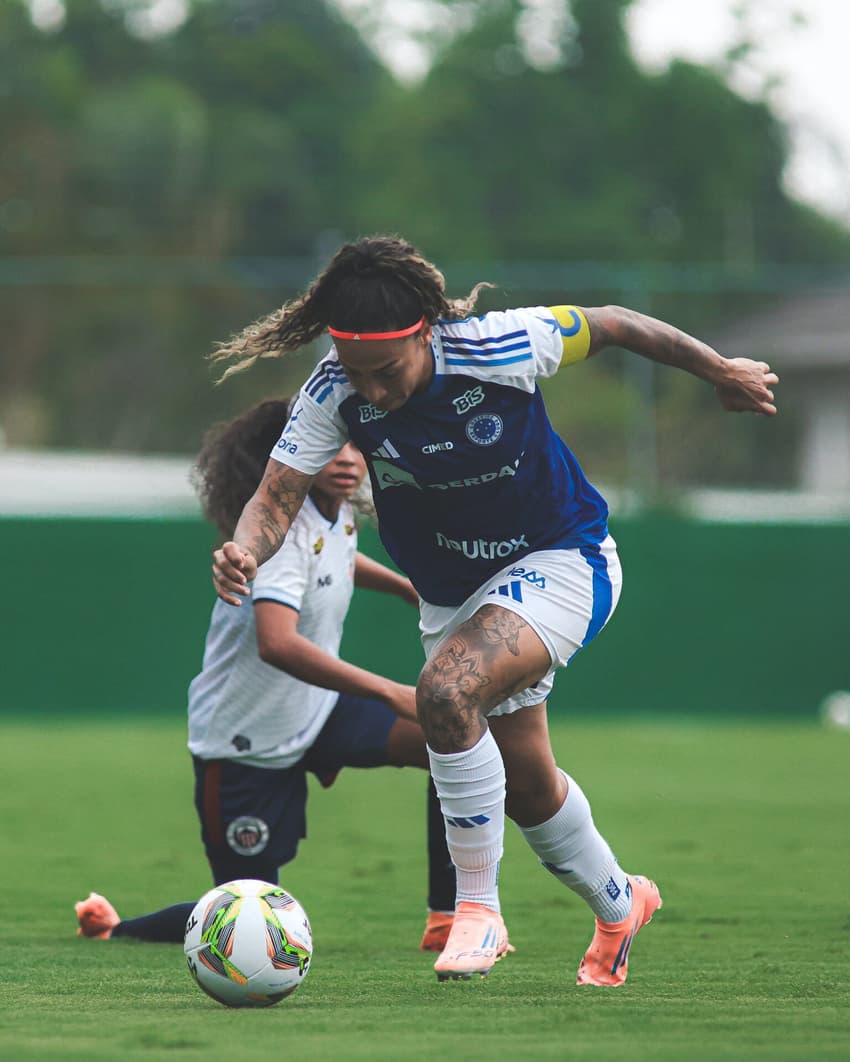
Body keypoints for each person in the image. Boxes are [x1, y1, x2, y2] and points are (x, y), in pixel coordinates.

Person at [208, 235, 779, 986]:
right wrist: (245, 548)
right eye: (357, 376)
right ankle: (620, 903)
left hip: (559, 557)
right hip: (454, 594)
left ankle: (477, 912)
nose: (372, 394)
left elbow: (615, 322)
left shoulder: (500, 345)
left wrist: (718, 369)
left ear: (423, 333)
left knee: (445, 691)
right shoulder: (331, 391)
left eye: (387, 372)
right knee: (528, 783)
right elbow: (275, 495)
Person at [75, 398, 458, 951]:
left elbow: (335, 555)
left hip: (318, 710)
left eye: (356, 444)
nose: (348, 458)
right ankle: (114, 929)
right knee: (242, 917)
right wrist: (388, 690)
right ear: (293, 453)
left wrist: (404, 586)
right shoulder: (278, 530)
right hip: (243, 742)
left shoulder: (338, 509)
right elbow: (277, 644)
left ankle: (448, 918)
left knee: (447, 739)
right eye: (332, 444)